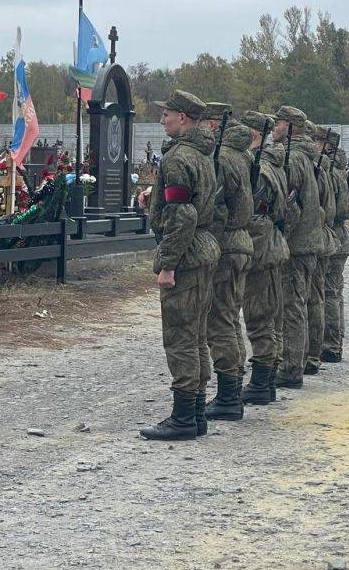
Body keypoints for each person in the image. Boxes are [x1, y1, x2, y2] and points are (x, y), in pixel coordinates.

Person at [139, 90, 220, 441]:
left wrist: (168, 264)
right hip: (203, 249)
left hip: (186, 256)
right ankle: (197, 413)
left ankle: (183, 418)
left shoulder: (177, 158)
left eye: (167, 114)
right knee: (197, 335)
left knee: (180, 337)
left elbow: (183, 214)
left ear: (183, 118)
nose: (162, 120)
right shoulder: (202, 155)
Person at [199, 103, 253, 421]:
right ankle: (232, 390)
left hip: (226, 245)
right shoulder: (241, 156)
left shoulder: (221, 159)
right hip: (241, 243)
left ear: (213, 124)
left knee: (220, 322)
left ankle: (228, 395)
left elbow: (217, 208)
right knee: (231, 320)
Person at [239, 111, 290, 405]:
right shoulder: (273, 165)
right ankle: (266, 381)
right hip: (272, 246)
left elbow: (254, 214)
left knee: (259, 318)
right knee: (269, 317)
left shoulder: (261, 168)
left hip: (261, 250)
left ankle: (260, 382)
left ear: (254, 135)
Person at [270, 107, 322, 389]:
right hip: (307, 244)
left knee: (290, 307)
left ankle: (291, 368)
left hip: (294, 246)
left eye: (278, 123)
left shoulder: (293, 159)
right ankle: (297, 362)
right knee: (298, 305)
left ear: (290, 127)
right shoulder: (306, 156)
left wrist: (279, 235)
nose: (274, 127)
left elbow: (289, 207)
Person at [305, 123, 339, 375]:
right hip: (326, 238)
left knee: (319, 296)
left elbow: (344, 208)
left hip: (319, 239)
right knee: (326, 294)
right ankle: (325, 348)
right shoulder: (325, 170)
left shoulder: (324, 171)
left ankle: (320, 350)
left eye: (317, 141)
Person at [322, 131, 349, 363]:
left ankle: (331, 346)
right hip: (341, 238)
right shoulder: (342, 171)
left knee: (329, 294)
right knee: (335, 293)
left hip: (334, 238)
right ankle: (335, 341)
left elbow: (343, 210)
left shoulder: (332, 173)